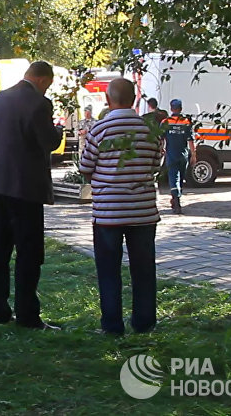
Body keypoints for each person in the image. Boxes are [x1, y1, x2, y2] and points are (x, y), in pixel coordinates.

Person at [79, 78, 163, 335]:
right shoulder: (148, 130)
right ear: (134, 98)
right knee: (144, 269)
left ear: (108, 99)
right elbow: (155, 166)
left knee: (108, 271)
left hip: (108, 212)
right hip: (142, 212)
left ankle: (112, 325)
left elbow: (85, 167)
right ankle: (144, 322)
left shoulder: (99, 129)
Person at [0, 61, 62, 329]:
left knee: (0, 250)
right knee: (29, 253)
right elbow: (49, 141)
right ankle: (28, 314)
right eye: (47, 85)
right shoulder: (39, 103)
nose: (46, 90)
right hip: (26, 186)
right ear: (42, 80)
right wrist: (59, 130)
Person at [161, 98, 196, 214]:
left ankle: (176, 200)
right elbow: (191, 140)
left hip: (171, 155)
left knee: (173, 178)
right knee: (180, 178)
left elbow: (161, 138)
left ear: (171, 108)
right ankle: (177, 199)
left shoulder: (165, 122)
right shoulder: (186, 122)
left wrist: (161, 149)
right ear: (181, 109)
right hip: (183, 155)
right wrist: (193, 155)